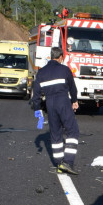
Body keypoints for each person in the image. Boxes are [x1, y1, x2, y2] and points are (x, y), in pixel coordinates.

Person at [30, 47, 80, 175]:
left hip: (50, 104)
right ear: (61, 57)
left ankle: (59, 163)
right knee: (72, 130)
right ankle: (68, 162)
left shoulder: (41, 73)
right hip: (63, 101)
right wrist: (74, 101)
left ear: (51, 56)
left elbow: (36, 96)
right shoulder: (64, 70)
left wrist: (37, 110)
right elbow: (72, 88)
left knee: (55, 133)